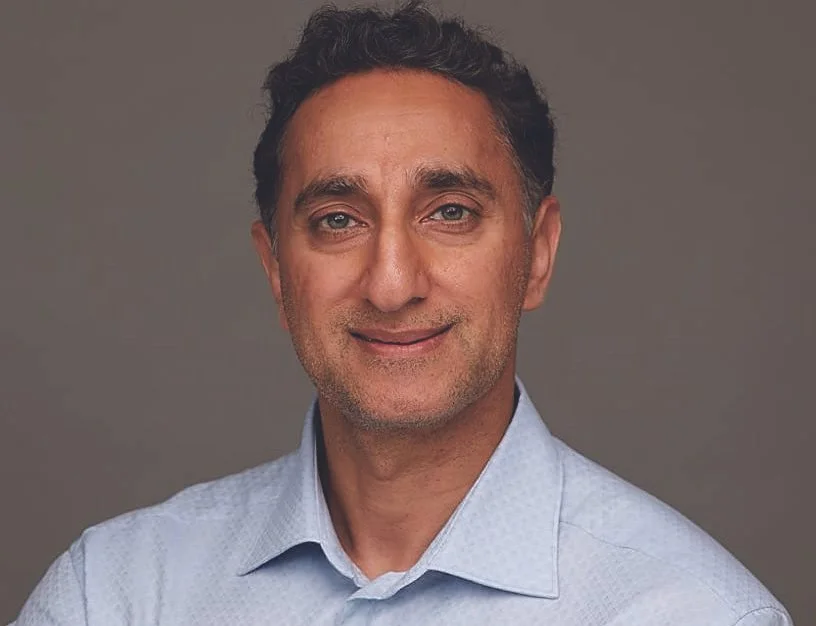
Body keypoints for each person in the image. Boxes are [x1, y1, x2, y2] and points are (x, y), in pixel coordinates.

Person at [13, 2, 792, 625]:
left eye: (449, 212)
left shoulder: (695, 611)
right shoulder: (112, 596)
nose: (391, 284)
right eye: (338, 220)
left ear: (539, 253)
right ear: (276, 271)